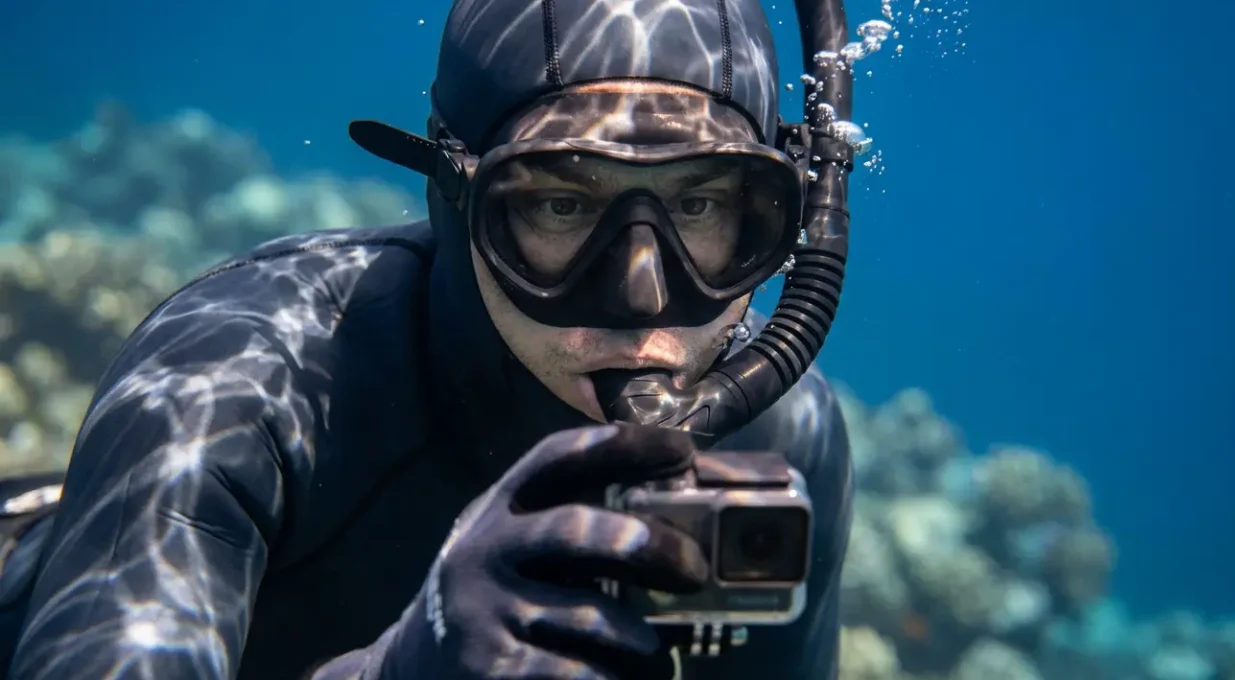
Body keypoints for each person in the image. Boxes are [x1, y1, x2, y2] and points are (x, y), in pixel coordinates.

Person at [0, 0, 862, 676]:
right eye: (562, 205)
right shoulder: (239, 369)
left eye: (702, 206)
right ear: (455, 200)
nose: (643, 296)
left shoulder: (786, 442)